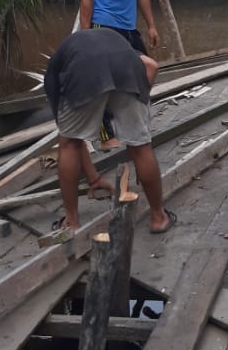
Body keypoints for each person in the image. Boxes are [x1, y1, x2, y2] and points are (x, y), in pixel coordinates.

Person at [43, 28, 176, 234]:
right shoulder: (122, 44)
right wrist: (139, 104)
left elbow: (73, 140)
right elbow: (152, 66)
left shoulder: (56, 70)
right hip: (126, 70)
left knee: (67, 143)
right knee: (141, 146)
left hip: (83, 71)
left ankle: (71, 222)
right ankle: (159, 217)